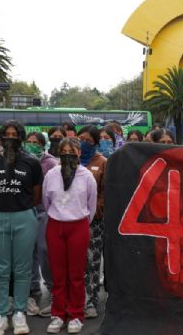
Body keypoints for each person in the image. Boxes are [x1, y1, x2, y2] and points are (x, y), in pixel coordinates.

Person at [0, 120, 43, 335]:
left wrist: (22, 209)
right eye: (6, 134)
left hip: (24, 216)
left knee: (23, 268)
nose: (10, 138)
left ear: (21, 137)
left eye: (15, 134)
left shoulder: (32, 162)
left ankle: (19, 312)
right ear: (0, 137)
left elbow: (36, 195)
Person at [42, 138, 97, 334]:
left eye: (71, 151)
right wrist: (58, 217)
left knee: (76, 275)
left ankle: (75, 314)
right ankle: (58, 314)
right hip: (55, 226)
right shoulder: (51, 174)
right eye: (63, 151)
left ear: (79, 153)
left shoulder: (87, 176)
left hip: (78, 226)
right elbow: (46, 201)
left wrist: (78, 223)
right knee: (58, 274)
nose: (67, 154)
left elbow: (91, 206)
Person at [25, 132, 58, 317]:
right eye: (28, 142)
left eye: (35, 142)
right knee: (29, 250)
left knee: (44, 249)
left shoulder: (50, 162)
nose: (31, 145)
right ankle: (32, 285)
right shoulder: (22, 160)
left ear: (43, 145)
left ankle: (52, 286)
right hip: (27, 209)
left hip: (45, 210)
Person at [76, 126, 107, 320]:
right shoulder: (71, 160)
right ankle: (73, 300)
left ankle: (91, 301)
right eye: (81, 139)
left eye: (88, 140)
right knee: (74, 262)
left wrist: (97, 210)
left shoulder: (103, 162)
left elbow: (105, 192)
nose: (83, 143)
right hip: (72, 220)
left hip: (93, 222)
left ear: (95, 143)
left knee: (92, 263)